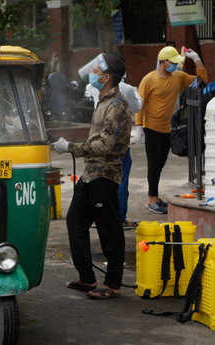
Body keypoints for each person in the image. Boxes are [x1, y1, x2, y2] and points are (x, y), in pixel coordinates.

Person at [52, 52, 130, 299]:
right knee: (75, 222)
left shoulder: (116, 106)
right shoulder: (102, 101)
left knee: (109, 230)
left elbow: (104, 146)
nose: (91, 76)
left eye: (95, 72)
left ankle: (112, 284)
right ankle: (86, 277)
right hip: (89, 175)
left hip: (104, 176)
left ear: (106, 77)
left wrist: (70, 147)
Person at [134, 46, 208, 214]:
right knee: (154, 165)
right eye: (172, 63)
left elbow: (202, 81)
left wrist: (197, 60)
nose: (175, 66)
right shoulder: (149, 80)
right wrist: (139, 126)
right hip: (151, 128)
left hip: (168, 129)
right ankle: (151, 198)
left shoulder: (178, 77)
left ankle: (155, 196)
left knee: (160, 164)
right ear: (163, 62)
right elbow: (140, 104)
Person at [86, 74, 143, 230]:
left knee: (97, 180)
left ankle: (97, 217)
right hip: (118, 145)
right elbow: (138, 107)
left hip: (98, 142)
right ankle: (119, 219)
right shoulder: (126, 90)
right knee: (120, 181)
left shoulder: (94, 87)